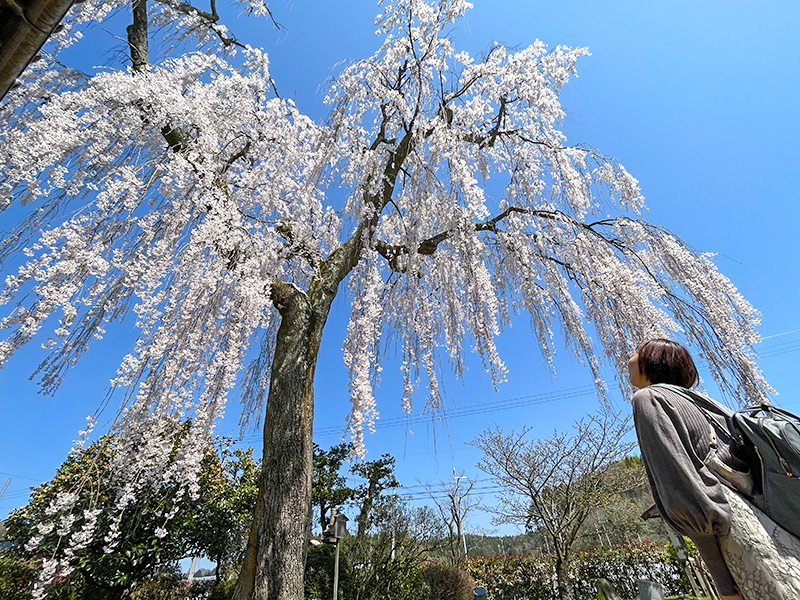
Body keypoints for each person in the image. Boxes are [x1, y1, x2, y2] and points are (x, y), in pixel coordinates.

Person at [628, 338, 800, 600]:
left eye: (636, 352)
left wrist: (722, 581)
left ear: (650, 362)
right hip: (768, 524)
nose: (629, 356)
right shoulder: (703, 403)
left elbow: (684, 490)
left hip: (737, 534)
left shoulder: (649, 399)